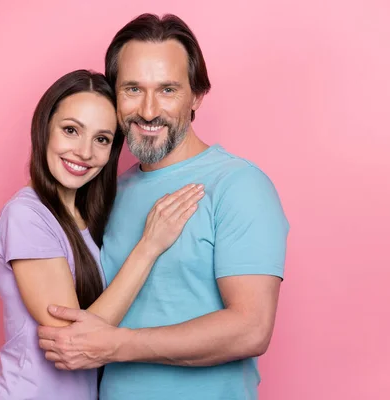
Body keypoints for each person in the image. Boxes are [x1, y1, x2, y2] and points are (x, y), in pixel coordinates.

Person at [38, 14, 290, 400]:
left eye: (168, 90)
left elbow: (250, 328)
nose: (149, 110)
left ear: (197, 96)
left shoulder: (239, 186)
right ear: (114, 96)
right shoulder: (109, 190)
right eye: (133, 89)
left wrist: (117, 345)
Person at [0, 69, 205, 399]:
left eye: (101, 139)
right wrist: (149, 247)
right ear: (44, 128)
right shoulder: (26, 215)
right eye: (71, 130)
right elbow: (74, 344)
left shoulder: (85, 218)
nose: (84, 152)